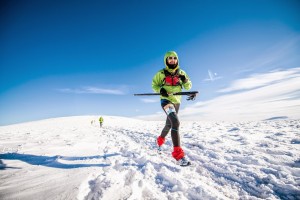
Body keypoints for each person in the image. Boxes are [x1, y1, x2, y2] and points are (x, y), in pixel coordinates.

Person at [152, 51, 192, 166]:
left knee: (169, 124)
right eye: (170, 58)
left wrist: (184, 79)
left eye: (174, 58)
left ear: (177, 59)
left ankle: (159, 141)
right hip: (166, 101)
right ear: (166, 60)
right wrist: (161, 90)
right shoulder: (161, 73)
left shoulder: (182, 72)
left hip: (177, 102)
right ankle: (178, 155)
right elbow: (154, 85)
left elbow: (188, 86)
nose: (172, 60)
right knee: (175, 122)